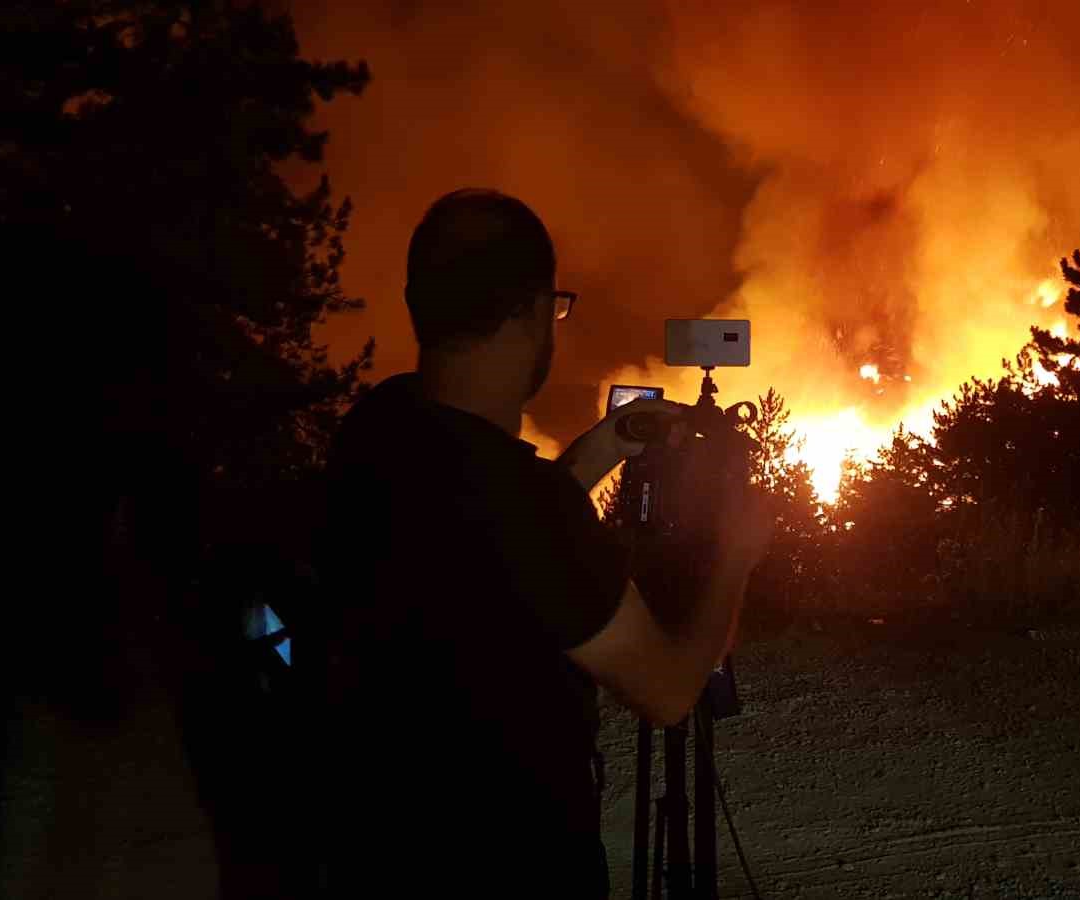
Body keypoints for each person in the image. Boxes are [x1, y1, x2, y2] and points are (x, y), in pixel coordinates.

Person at [311, 189, 771, 897]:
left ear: (415, 303)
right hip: (513, 859)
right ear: (533, 312)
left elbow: (488, 528)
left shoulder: (381, 426)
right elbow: (672, 690)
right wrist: (737, 551)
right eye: (555, 307)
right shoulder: (529, 513)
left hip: (375, 849)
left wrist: (597, 452)